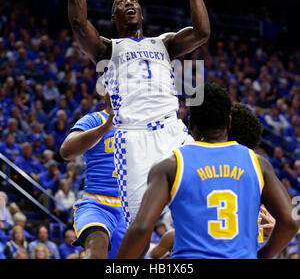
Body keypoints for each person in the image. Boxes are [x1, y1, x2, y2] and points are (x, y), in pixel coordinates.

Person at [68, 0, 210, 227]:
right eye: (121, 2)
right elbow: (78, 22)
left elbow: (202, 32)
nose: (129, 3)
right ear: (114, 18)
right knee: (140, 225)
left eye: (133, 0)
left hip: (172, 131)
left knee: (204, 197)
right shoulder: (108, 49)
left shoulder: (165, 43)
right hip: (133, 138)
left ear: (141, 14)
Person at [116, 83, 299, 259]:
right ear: (228, 123)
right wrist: (262, 256)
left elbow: (141, 228)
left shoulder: (170, 166)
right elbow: (290, 222)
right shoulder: (257, 163)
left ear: (190, 123)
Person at [60, 105, 127, 259]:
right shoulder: (95, 119)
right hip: (97, 204)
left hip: (130, 209)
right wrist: (105, 128)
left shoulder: (144, 125)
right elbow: (66, 151)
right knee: (97, 243)